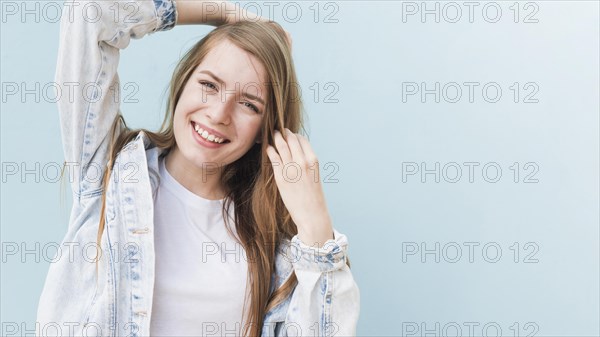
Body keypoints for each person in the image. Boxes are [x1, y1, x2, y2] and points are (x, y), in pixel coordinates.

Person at [36, 0, 360, 336]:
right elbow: (89, 14)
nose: (220, 113)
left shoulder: (275, 249)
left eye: (249, 104)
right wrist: (224, 14)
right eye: (209, 84)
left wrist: (317, 228)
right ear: (183, 81)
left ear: (266, 130)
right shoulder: (110, 171)